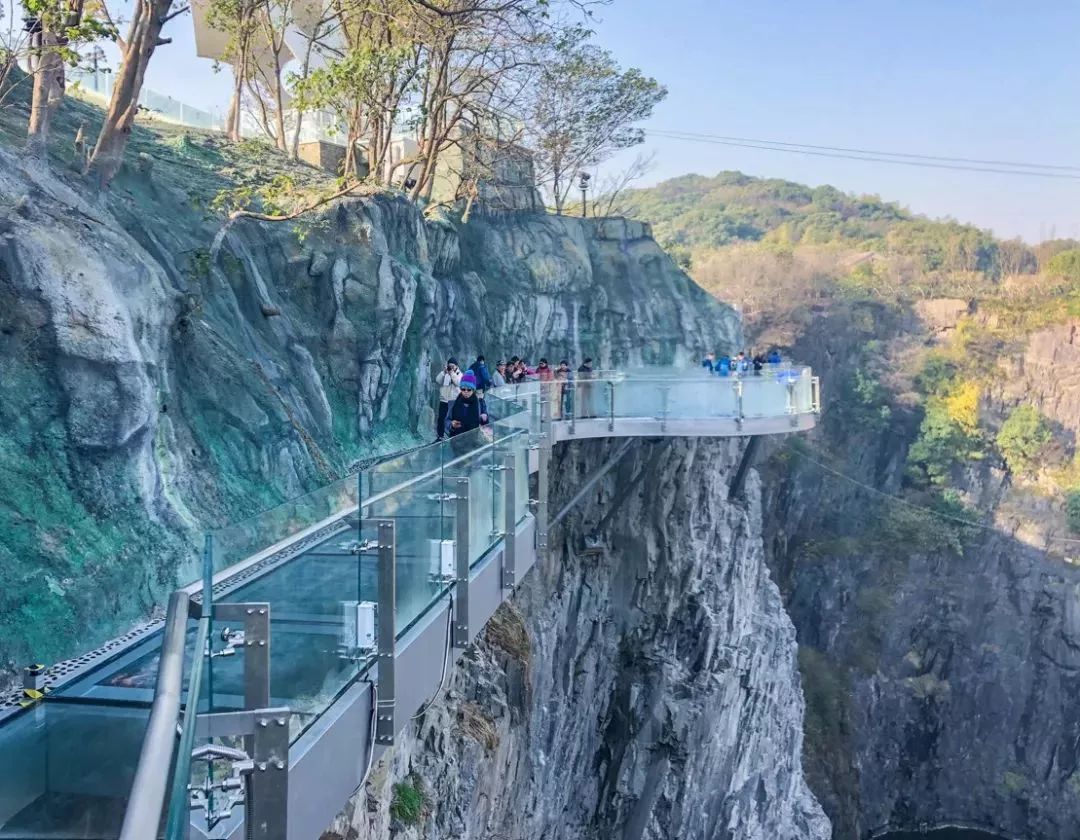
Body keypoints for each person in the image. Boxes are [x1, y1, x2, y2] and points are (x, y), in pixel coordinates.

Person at [448, 371, 488, 441]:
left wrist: (484, 417)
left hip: (473, 440)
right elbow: (447, 420)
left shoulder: (480, 402)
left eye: (469, 389)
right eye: (463, 389)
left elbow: (486, 420)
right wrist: (451, 424)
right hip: (456, 439)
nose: (466, 391)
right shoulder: (454, 402)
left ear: (473, 390)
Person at [435, 357, 461, 441]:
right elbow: (438, 380)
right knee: (441, 418)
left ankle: (452, 436)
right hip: (444, 399)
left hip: (453, 401)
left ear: (457, 366)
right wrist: (443, 372)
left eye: (453, 366)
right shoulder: (445, 373)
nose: (451, 367)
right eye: (450, 366)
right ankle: (440, 436)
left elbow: (458, 383)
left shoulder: (460, 374)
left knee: (452, 419)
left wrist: (452, 373)